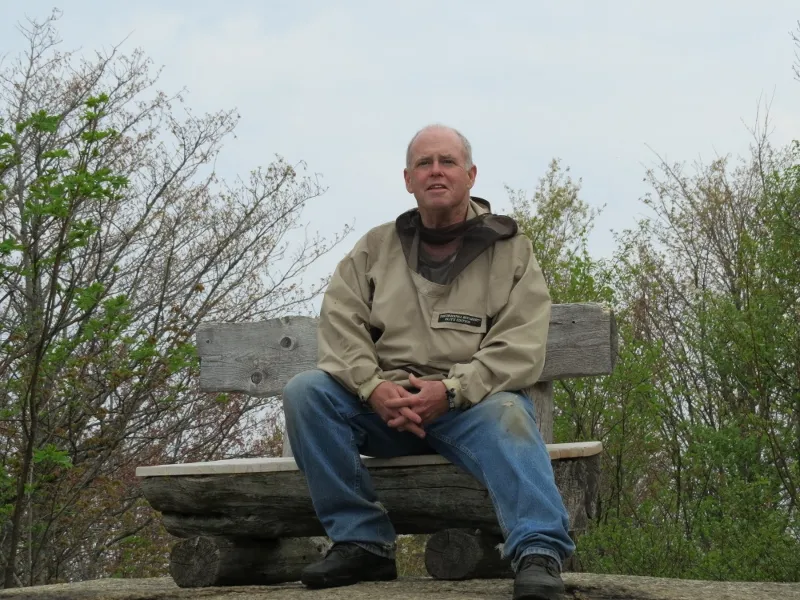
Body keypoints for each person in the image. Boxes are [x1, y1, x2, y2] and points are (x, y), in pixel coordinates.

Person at [282, 124, 574, 600]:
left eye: (447, 162)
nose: (436, 172)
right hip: (384, 408)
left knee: (510, 414)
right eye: (424, 163)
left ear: (471, 174)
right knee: (306, 393)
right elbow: (340, 325)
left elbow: (519, 343)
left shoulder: (511, 250)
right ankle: (362, 543)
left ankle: (538, 552)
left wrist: (453, 391)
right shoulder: (374, 248)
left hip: (470, 409)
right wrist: (373, 388)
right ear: (407, 179)